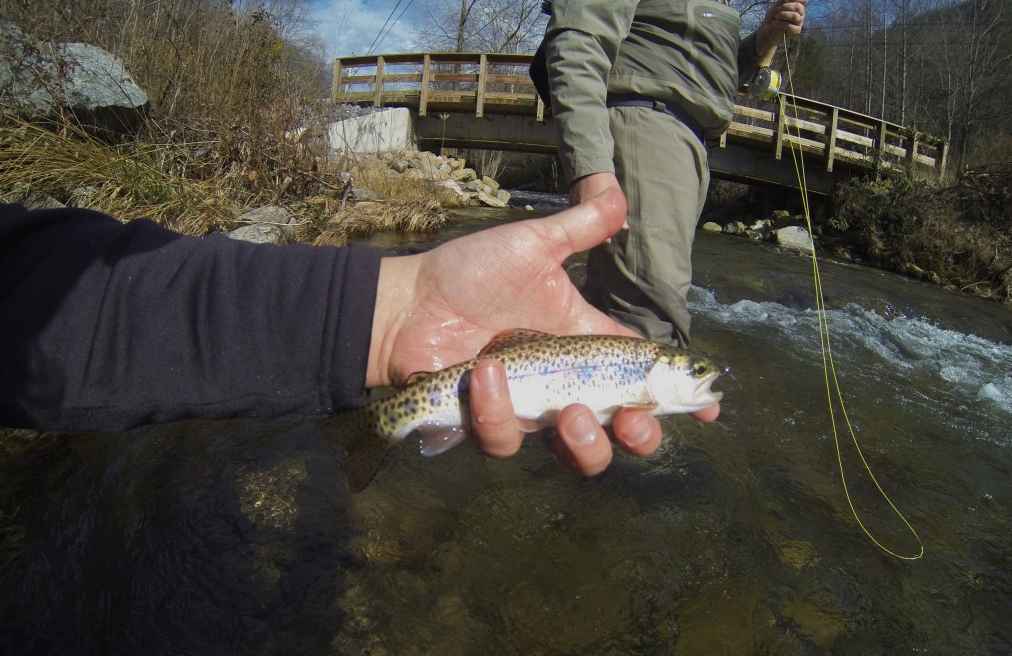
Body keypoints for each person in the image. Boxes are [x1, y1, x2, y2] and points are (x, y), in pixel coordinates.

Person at [0, 188, 719, 478]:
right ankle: (384, 425)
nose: (700, 381)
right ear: (656, 371)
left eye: (692, 374)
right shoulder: (639, 366)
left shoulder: (30, 271)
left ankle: (390, 421)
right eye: (691, 372)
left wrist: (393, 305)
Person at [536, 0, 808, 346]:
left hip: (688, 152)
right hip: (643, 135)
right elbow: (578, 41)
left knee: (611, 322)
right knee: (649, 329)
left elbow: (711, 77)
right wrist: (590, 168)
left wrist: (764, 37)